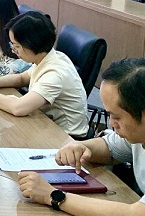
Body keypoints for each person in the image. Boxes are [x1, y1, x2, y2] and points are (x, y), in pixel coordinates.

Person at [18, 58, 145, 215]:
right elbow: (110, 148)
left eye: (116, 117)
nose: (111, 123)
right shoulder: (137, 135)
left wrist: (52, 196)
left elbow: (136, 213)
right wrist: (82, 146)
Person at [0, 11, 88, 138]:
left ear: (32, 44)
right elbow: (23, 78)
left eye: (17, 46)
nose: (13, 50)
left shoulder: (55, 73)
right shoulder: (47, 57)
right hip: (46, 124)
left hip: (66, 137)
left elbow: (18, 108)